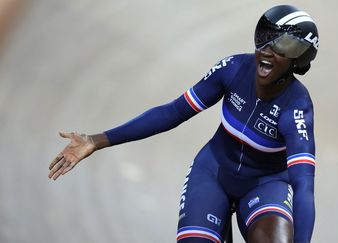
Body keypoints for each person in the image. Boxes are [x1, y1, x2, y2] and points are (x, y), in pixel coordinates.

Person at [49, 5, 320, 243]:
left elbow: (304, 185)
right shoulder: (233, 68)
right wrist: (96, 140)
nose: (268, 50)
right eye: (264, 38)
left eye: (283, 45)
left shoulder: (297, 107)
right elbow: (173, 112)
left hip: (266, 185)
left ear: (299, 59)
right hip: (213, 173)